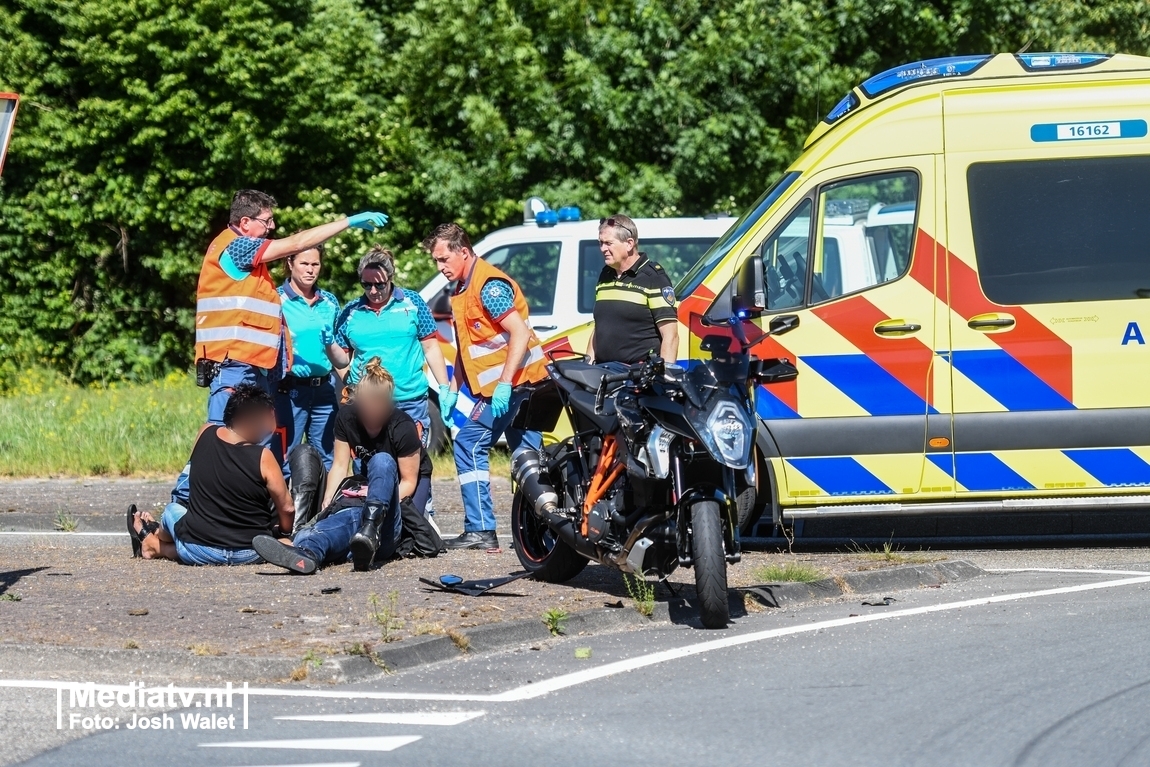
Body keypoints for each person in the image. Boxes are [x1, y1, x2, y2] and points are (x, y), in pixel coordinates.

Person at [173, 190, 387, 502]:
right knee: (217, 438)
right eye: (267, 220)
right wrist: (348, 222)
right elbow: (298, 243)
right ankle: (182, 505)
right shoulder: (237, 247)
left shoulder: (251, 262)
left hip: (250, 368)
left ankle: (243, 510)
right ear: (245, 223)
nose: (272, 226)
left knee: (248, 443)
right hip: (232, 367)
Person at [423, 223, 548, 550]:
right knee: (527, 457)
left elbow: (519, 335)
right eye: (435, 261)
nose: (440, 268)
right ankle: (540, 533)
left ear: (463, 251)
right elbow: (469, 349)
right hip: (517, 385)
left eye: (443, 259)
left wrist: (505, 384)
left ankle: (481, 530)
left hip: (517, 386)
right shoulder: (463, 288)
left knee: (467, 443)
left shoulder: (488, 286)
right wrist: (451, 388)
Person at [253, 358, 432, 572]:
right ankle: (308, 552)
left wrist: (371, 499)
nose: (371, 413)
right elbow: (339, 465)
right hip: (362, 501)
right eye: (366, 407)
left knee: (381, 460)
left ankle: (369, 531)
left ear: (387, 404)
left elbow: (409, 481)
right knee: (334, 524)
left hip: (392, 504)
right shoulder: (347, 416)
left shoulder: (402, 425)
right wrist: (329, 501)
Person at [126, 385, 294, 565]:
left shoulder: (205, 432)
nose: (270, 429)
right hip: (251, 552)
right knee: (284, 541)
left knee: (171, 511)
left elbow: (194, 473)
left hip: (200, 550)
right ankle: (156, 541)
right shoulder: (264, 457)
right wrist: (283, 533)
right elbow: (287, 508)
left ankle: (155, 541)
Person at [326, 247, 452, 449]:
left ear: (391, 277)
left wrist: (444, 388)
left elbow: (430, 348)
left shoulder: (413, 303)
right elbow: (341, 360)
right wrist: (351, 386)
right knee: (370, 468)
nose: (373, 291)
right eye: (366, 285)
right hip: (367, 404)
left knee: (412, 468)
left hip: (409, 401)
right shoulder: (350, 312)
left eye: (380, 285)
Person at [275, 245, 341, 469]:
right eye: (304, 263)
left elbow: (338, 351)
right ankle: (284, 504)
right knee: (285, 455)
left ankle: (325, 505)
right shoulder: (276, 300)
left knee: (327, 458)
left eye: (315, 264)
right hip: (289, 391)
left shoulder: (330, 302)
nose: (310, 270)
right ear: (290, 263)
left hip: (324, 390)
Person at [585, 214, 679, 364]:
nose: (603, 249)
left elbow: (670, 336)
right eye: (601, 243)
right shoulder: (605, 274)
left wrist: (665, 376)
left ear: (629, 243)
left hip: (637, 378)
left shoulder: (653, 278)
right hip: (604, 374)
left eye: (608, 243)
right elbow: (600, 328)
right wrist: (588, 365)